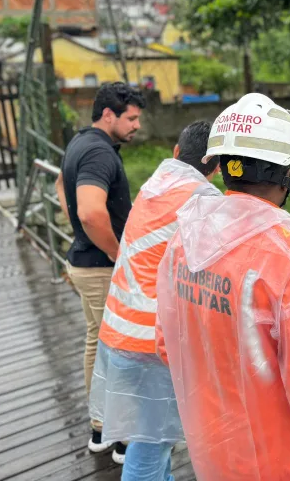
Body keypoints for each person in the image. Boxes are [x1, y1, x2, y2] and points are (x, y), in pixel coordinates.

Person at [155, 93, 290, 481]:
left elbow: (166, 343)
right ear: (287, 172)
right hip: (284, 462)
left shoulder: (183, 241)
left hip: (214, 450)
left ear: (223, 165)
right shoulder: (289, 261)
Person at [88, 121, 221, 477]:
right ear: (218, 166)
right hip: (151, 345)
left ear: (177, 152)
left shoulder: (156, 183)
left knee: (150, 439)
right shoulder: (203, 200)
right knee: (149, 447)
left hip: (119, 331)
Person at [54, 82, 144, 461]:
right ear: (109, 114)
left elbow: (61, 185)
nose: (137, 125)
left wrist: (77, 228)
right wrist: (117, 252)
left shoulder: (80, 142)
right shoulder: (98, 153)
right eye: (132, 118)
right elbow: (91, 211)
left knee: (99, 344)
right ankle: (122, 439)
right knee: (121, 350)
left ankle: (101, 428)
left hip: (83, 264)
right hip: (102, 267)